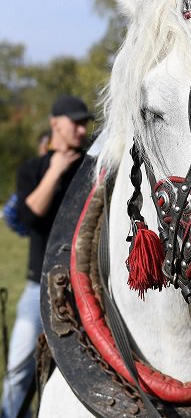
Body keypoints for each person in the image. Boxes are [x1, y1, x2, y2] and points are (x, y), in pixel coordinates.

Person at [1, 96, 91, 418]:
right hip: (37, 289)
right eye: (75, 122)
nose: (82, 130)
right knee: (18, 372)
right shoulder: (34, 169)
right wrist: (54, 171)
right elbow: (28, 217)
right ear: (55, 123)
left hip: (86, 290)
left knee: (84, 374)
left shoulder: (91, 166)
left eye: (85, 123)